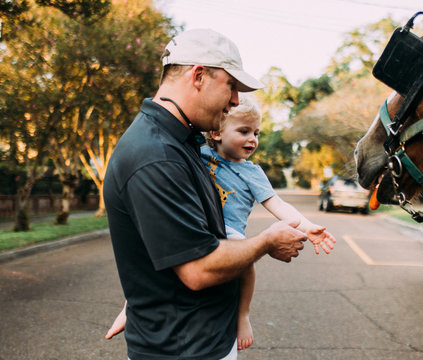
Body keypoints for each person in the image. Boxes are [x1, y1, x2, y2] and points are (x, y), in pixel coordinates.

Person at [103, 28, 307, 360]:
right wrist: (267, 241)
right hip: (182, 350)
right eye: (232, 86)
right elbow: (198, 269)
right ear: (199, 76)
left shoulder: (182, 142)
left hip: (205, 340)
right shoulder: (156, 156)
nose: (236, 100)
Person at [106, 94, 337, 351]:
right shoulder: (198, 154)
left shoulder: (252, 173)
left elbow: (278, 205)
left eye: (256, 133)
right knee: (155, 257)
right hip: (196, 225)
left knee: (245, 259)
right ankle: (130, 307)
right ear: (216, 133)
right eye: (244, 131)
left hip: (229, 234)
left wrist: (306, 226)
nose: (253, 139)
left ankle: (243, 316)